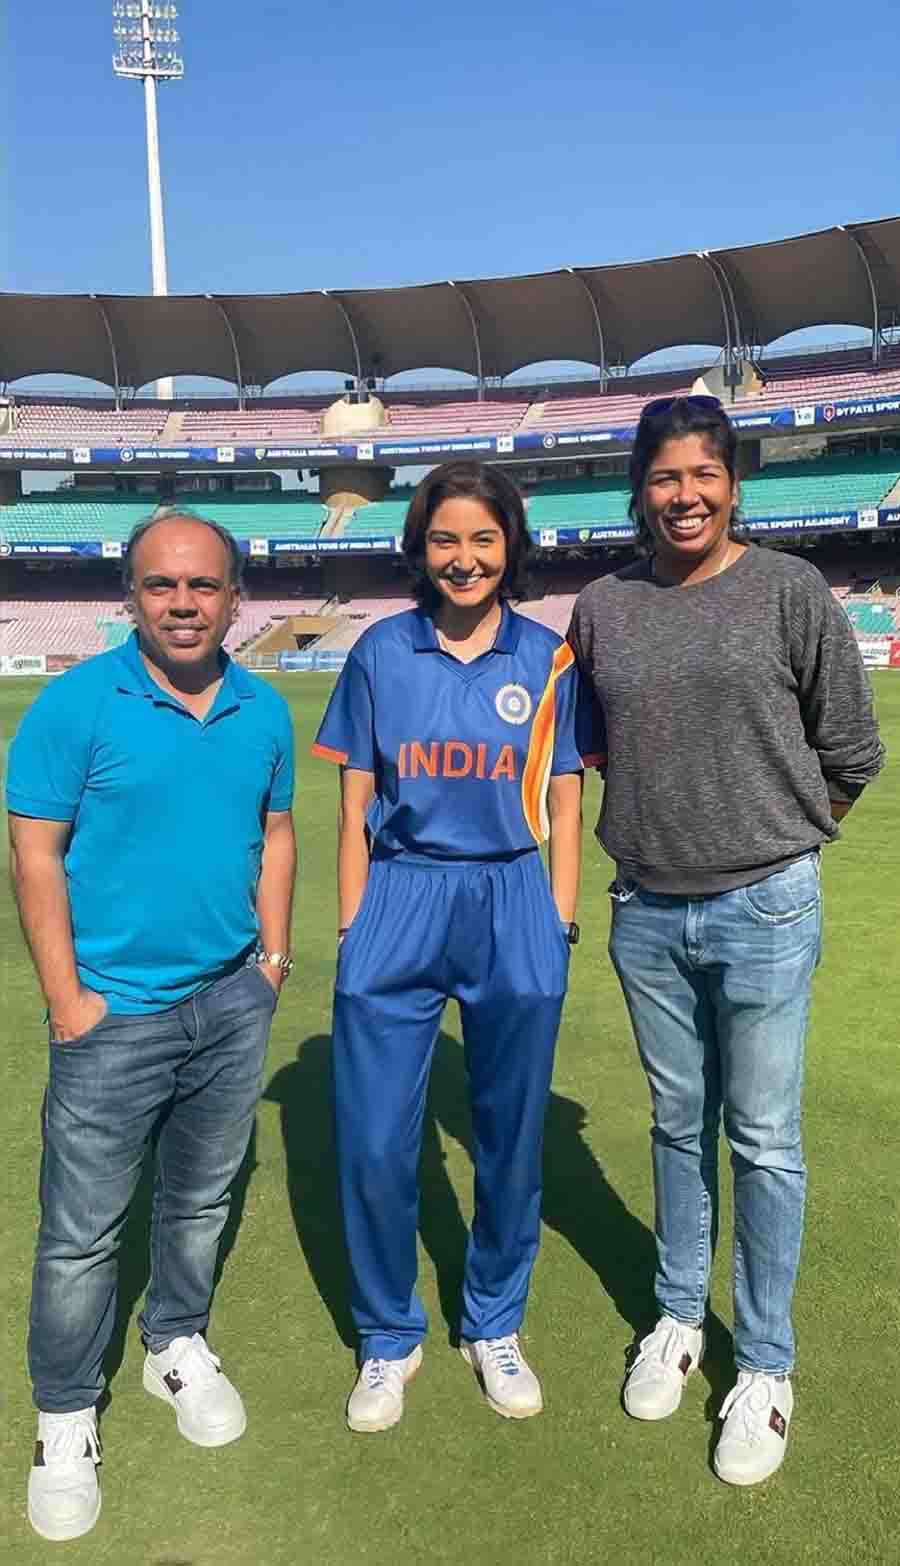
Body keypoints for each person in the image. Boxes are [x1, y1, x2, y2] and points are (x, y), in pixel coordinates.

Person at [568, 396, 884, 1486]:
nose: (684, 494)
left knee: (762, 1139)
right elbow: (593, 752)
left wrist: (779, 846)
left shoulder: (790, 590)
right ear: (641, 489)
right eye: (664, 477)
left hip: (763, 908)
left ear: (734, 484)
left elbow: (851, 749)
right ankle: (674, 1317)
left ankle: (766, 1365)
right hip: (646, 912)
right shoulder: (602, 604)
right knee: (674, 1127)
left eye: (704, 473)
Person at [7, 512, 296, 1542]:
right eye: (162, 585)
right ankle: (65, 1415)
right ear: (130, 595)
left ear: (234, 597)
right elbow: (35, 853)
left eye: (204, 586)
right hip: (113, 1013)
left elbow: (275, 831)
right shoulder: (76, 704)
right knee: (82, 1239)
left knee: (199, 1201)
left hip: (230, 1000)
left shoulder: (263, 709)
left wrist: (271, 961)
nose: (183, 603)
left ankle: (174, 1342)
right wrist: (67, 1001)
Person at [312, 460, 598, 1432]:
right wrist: (355, 920)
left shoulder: (549, 657)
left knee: (510, 1138)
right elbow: (352, 798)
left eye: (483, 538)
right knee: (377, 1141)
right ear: (420, 550)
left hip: (514, 895)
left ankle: (493, 1322)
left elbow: (566, 793)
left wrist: (558, 917)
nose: (464, 558)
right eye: (445, 539)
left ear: (510, 546)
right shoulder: (381, 652)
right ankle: (388, 1338)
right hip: (401, 894)